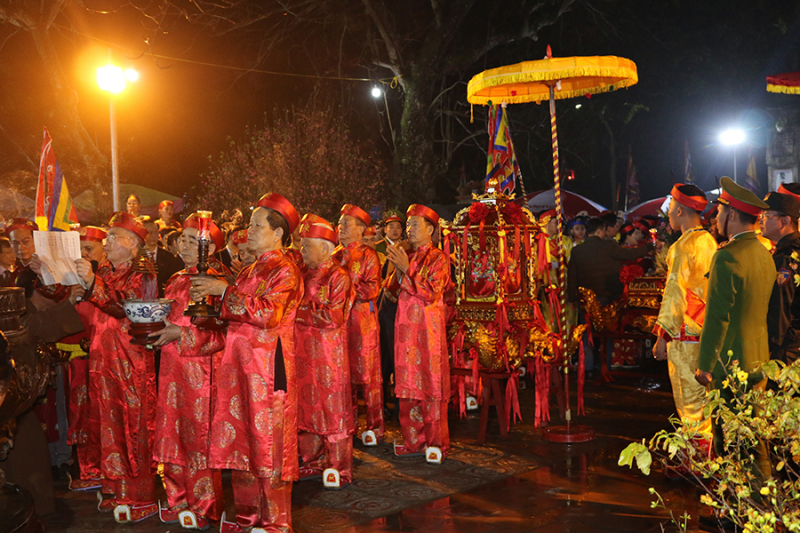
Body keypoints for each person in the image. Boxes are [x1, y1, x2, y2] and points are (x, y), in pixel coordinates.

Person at [190, 192, 302, 533]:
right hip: (238, 368)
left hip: (268, 370)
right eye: (249, 225)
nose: (247, 231)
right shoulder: (249, 270)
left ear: (277, 233)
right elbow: (231, 317)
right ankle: (247, 519)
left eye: (256, 226)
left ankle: (274, 524)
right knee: (241, 445)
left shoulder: (286, 269)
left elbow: (267, 314)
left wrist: (223, 291)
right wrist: (203, 311)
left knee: (269, 446)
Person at [74, 212, 160, 523]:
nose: (107, 242)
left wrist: (92, 283)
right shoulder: (106, 271)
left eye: (113, 237)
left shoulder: (142, 272)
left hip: (129, 362)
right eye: (107, 236)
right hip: (103, 361)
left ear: (133, 244)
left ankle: (138, 495)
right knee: (105, 422)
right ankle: (113, 487)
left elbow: (125, 306)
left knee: (132, 424)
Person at [149, 214, 226, 530]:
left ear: (211, 248)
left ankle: (204, 507)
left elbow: (222, 333)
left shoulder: (216, 281)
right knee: (172, 434)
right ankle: (177, 501)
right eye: (183, 237)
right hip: (172, 368)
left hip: (201, 371)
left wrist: (180, 334)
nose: (185, 243)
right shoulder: (176, 278)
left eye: (194, 240)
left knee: (199, 438)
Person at [695, 177, 774, 478]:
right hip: (759, 357)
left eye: (718, 212)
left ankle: (739, 503)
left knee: (729, 440)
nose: (715, 218)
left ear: (730, 214)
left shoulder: (727, 256)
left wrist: (705, 364)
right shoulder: (763, 253)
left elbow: (717, 317)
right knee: (753, 435)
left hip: (731, 363)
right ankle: (763, 497)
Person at [652, 184, 717, 453]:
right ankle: (708, 454)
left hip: (684, 332)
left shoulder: (682, 246)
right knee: (705, 400)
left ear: (679, 211)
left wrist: (661, 335)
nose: (668, 214)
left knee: (687, 399)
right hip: (707, 331)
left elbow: (675, 293)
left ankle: (696, 459)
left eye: (670, 209)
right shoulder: (710, 241)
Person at [386, 204, 450, 464]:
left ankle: (436, 443)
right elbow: (390, 292)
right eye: (408, 224)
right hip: (405, 331)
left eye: (414, 225)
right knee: (408, 386)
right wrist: (398, 268)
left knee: (430, 385)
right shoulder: (408, 254)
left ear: (430, 229)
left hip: (428, 331)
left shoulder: (438, 258)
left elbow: (431, 292)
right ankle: (414, 441)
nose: (408, 229)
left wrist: (407, 268)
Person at [294, 214, 355, 489]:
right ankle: (312, 459)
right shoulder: (301, 273)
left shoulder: (338, 276)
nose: (302, 250)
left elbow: (333, 317)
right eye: (302, 244)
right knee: (306, 405)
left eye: (307, 245)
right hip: (301, 351)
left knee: (332, 408)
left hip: (329, 355)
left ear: (325, 248)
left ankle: (339, 467)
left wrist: (298, 312)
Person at [333, 204, 384, 446]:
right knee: (343, 377)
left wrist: (344, 289)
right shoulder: (333, 255)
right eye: (339, 223)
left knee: (368, 376)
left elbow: (372, 288)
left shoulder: (368, 255)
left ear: (361, 229)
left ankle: (375, 426)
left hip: (362, 323)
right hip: (337, 324)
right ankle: (348, 425)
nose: (341, 227)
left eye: (346, 224)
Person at [63, 226, 107, 492]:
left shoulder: (109, 277)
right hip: (77, 356)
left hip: (106, 356)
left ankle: (106, 470)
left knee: (105, 413)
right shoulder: (70, 276)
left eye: (89, 249)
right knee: (80, 413)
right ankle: (89, 470)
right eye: (79, 250)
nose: (84, 255)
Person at [567, 218, 653, 305]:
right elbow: (632, 254)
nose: (605, 233)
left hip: (586, 298)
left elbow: (572, 277)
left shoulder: (576, 250)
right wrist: (650, 245)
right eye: (604, 230)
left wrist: (572, 298)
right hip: (608, 295)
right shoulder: (609, 245)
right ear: (599, 231)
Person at [760, 191, 800, 365]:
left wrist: (771, 347)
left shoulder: (786, 257)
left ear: (785, 221)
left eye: (767, 216)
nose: (761, 220)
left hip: (788, 350)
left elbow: (781, 309)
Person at [378, 213, 405, 418]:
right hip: (385, 304)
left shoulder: (408, 248)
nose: (395, 230)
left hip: (404, 307)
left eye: (399, 227)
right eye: (391, 227)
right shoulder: (378, 248)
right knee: (386, 353)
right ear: (385, 229)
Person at [139, 216, 183, 296]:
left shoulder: (170, 258)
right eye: (150, 232)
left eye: (156, 231)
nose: (154, 235)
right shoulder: (136, 256)